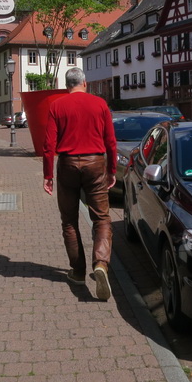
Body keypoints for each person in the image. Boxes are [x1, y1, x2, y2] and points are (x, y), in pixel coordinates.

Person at [43, 67, 117, 300]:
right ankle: (101, 264)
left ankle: (77, 272)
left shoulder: (57, 106)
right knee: (102, 218)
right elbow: (111, 141)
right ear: (84, 83)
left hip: (67, 165)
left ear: (68, 85)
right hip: (95, 163)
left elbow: (48, 144)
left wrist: (48, 176)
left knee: (69, 221)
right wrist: (112, 170)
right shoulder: (99, 104)